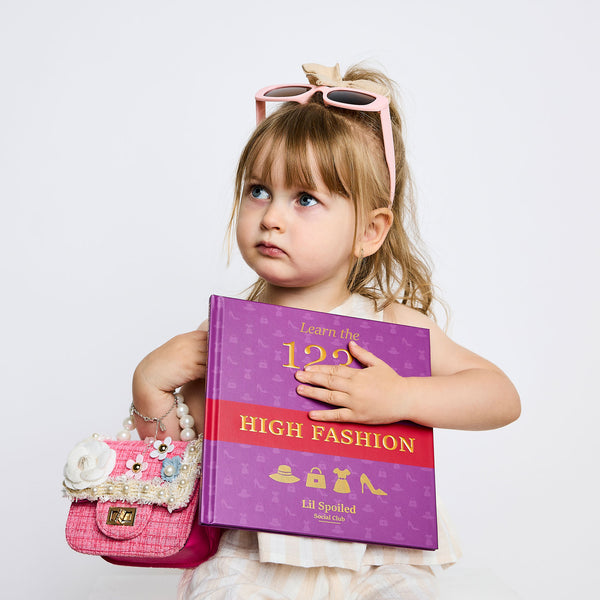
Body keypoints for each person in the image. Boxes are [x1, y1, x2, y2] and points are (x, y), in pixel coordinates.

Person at [131, 62, 521, 599]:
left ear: (369, 230)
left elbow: (500, 397)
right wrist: (149, 387)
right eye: (259, 190)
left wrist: (402, 395)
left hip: (378, 560)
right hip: (253, 559)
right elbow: (182, 471)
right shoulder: (227, 336)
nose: (271, 217)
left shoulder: (389, 326)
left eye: (306, 200)